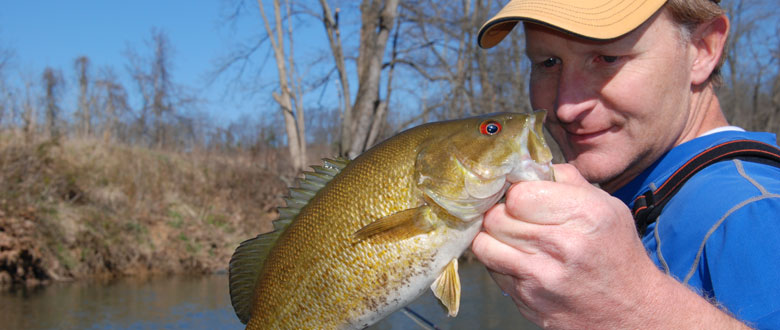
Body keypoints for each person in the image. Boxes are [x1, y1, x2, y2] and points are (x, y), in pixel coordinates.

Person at [470, 0, 780, 328]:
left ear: (702, 49)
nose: (565, 107)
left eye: (607, 58)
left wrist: (637, 308)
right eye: (548, 62)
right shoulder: (644, 202)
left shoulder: (749, 211)